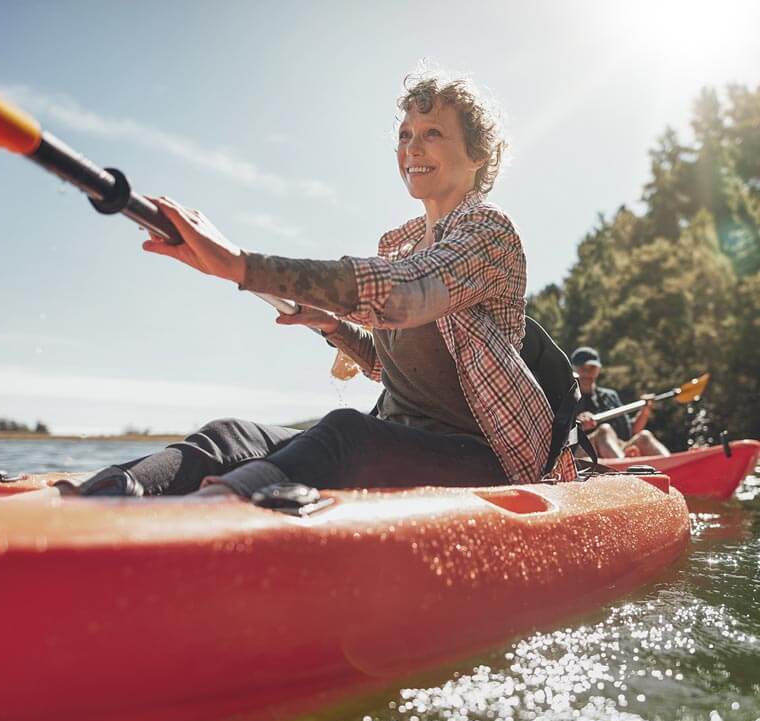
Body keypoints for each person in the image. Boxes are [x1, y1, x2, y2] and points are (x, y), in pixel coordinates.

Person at [51, 71, 577, 501]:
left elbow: (405, 295)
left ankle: (207, 515)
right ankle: (103, 497)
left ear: (478, 155)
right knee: (230, 433)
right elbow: (392, 367)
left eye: (433, 133)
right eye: (405, 135)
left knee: (345, 432)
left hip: (480, 456)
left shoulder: (489, 233)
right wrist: (333, 327)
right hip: (398, 435)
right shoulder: (401, 243)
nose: (412, 147)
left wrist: (239, 264)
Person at [572, 346, 669, 459]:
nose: (588, 373)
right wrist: (578, 424)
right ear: (573, 370)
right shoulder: (565, 399)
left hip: (617, 450)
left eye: (592, 368)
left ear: (598, 370)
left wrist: (645, 411)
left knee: (644, 436)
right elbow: (557, 438)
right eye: (583, 368)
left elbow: (632, 430)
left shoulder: (610, 396)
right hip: (581, 454)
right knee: (605, 430)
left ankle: (676, 465)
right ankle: (624, 469)